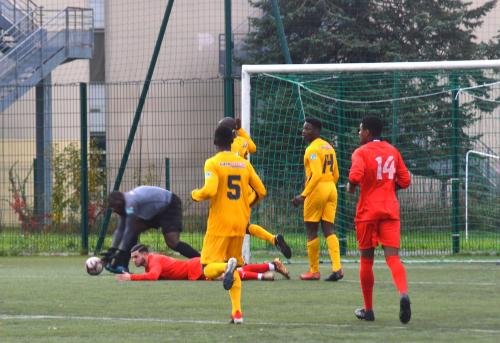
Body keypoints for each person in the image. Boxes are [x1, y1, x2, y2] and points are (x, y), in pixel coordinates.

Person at [191, 124, 267, 324]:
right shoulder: (244, 164)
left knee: (207, 268)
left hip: (220, 224)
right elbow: (262, 191)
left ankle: (227, 267)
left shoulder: (212, 163)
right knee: (233, 270)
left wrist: (195, 195)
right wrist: (247, 205)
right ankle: (237, 313)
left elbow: (210, 190)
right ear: (233, 142)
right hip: (240, 223)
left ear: (215, 142)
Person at [347, 116, 411, 324]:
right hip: (390, 211)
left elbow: (355, 176)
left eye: (360, 130)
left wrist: (350, 187)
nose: (359, 134)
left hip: (367, 213)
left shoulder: (361, 152)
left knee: (366, 260)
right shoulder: (393, 151)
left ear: (367, 132)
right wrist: (389, 188)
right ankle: (403, 294)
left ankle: (369, 310)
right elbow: (405, 180)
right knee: (393, 258)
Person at [218, 117, 292, 260]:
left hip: (233, 192)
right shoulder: (242, 142)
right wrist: (240, 130)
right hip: (248, 191)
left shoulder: (226, 148)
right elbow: (253, 148)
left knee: (233, 225)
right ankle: (274, 239)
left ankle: (232, 258)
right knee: (244, 226)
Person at [100, 186, 200, 274]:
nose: (114, 211)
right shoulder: (124, 204)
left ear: (120, 203)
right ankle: (123, 267)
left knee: (172, 242)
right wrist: (111, 250)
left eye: (115, 208)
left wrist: (120, 253)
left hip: (169, 205)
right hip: (154, 211)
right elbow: (120, 229)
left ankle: (201, 261)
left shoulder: (130, 203)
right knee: (134, 230)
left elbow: (128, 229)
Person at [292, 117, 343, 281]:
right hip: (331, 189)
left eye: (307, 129)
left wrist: (303, 195)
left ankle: (314, 271)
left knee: (311, 230)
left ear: (316, 131)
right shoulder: (329, 147)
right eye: (303, 128)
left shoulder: (312, 149)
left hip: (317, 190)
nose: (303, 131)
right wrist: (329, 187)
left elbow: (315, 175)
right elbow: (336, 175)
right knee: (329, 229)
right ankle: (337, 268)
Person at [116, 244, 290, 282]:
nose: (134, 260)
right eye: (133, 258)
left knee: (227, 275)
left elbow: (153, 276)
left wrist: (131, 277)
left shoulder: (154, 260)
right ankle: (273, 265)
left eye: (136, 256)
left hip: (195, 268)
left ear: (145, 254)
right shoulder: (150, 261)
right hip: (194, 267)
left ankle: (263, 275)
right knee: (235, 269)